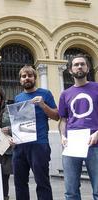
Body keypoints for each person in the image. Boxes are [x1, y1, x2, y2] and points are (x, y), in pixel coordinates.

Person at [12, 65, 59, 200]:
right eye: (23, 76)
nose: (27, 78)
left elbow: (56, 116)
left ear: (35, 78)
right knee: (20, 183)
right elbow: (17, 122)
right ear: (20, 80)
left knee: (42, 182)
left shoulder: (45, 93)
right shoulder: (18, 98)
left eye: (30, 76)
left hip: (39, 144)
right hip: (20, 145)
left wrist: (43, 105)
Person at [58, 54, 98, 200]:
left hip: (95, 143)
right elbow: (63, 119)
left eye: (82, 64)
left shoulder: (97, 88)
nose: (79, 66)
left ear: (88, 68)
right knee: (71, 191)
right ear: (70, 70)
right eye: (76, 64)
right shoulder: (65, 94)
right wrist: (63, 136)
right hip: (72, 144)